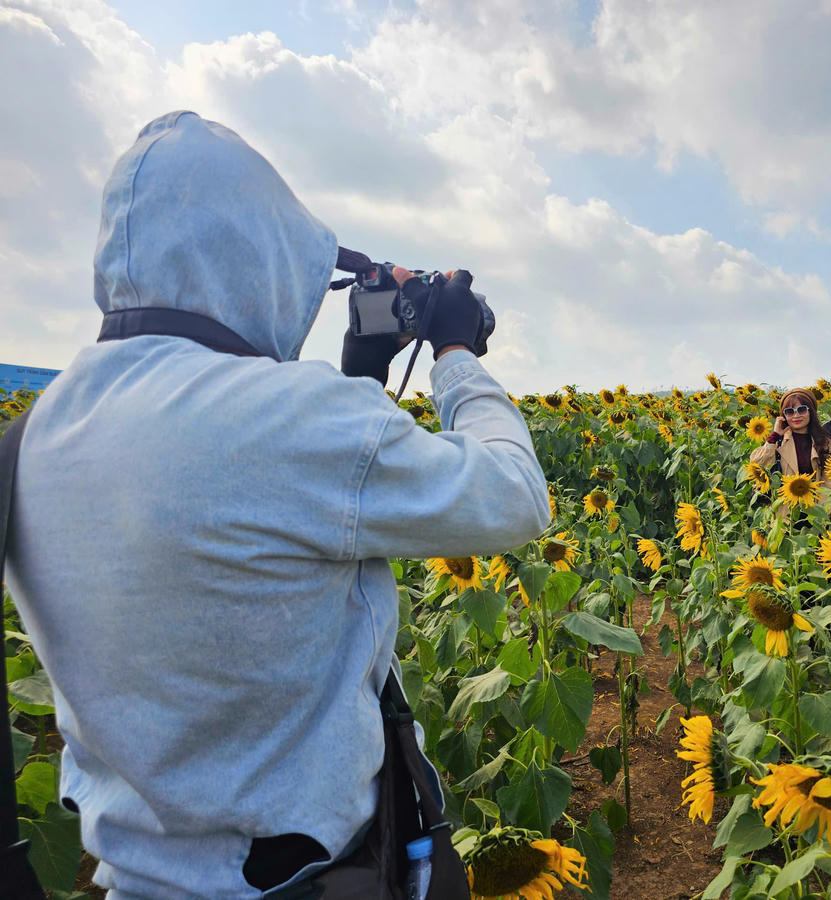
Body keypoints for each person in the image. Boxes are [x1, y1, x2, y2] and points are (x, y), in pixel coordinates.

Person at [7, 112, 549, 897]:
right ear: (263, 257)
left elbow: (268, 512)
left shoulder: (37, 434)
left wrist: (357, 375)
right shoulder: (291, 419)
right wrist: (457, 353)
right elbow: (514, 496)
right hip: (315, 876)